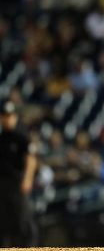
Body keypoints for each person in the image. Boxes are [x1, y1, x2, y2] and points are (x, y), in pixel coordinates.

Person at [0, 101, 38, 247]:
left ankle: (30, 246)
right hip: (2, 182)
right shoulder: (2, 137)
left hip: (17, 181)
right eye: (4, 115)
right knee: (4, 218)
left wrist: (28, 179)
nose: (7, 118)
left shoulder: (21, 135)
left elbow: (31, 158)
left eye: (10, 115)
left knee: (22, 216)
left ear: (15, 117)